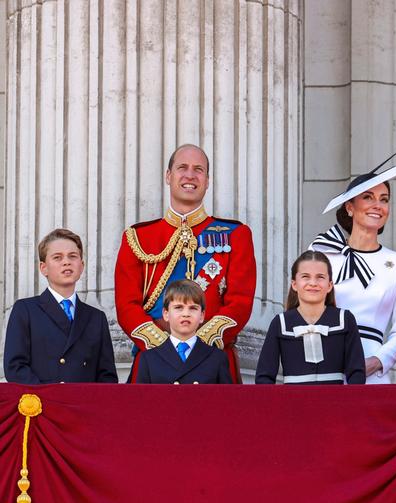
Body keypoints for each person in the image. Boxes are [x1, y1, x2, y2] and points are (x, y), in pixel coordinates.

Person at [115, 144, 257, 383]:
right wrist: (165, 346)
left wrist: (197, 345)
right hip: (153, 360)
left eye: (198, 169)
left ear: (207, 180)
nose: (190, 175)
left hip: (213, 363)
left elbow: (240, 301)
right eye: (182, 168)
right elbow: (126, 305)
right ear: (168, 176)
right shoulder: (138, 237)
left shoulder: (236, 235)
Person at [310, 151, 396, 384]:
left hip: (371, 371)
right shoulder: (322, 253)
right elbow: (302, 310)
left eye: (384, 199)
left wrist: (378, 360)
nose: (378, 205)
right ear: (350, 206)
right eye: (368, 197)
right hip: (322, 362)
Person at [4, 229, 118, 384]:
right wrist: (51, 397)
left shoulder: (96, 318)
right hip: (42, 404)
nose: (66, 262)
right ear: (43, 268)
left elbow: (107, 376)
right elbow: (15, 367)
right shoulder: (26, 310)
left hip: (83, 406)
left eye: (73, 256)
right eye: (57, 257)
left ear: (81, 265)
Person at [255, 251, 365, 385]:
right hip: (293, 402)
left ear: (329, 285)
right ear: (294, 284)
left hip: (336, 402)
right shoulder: (280, 323)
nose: (313, 283)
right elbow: (264, 377)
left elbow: (357, 373)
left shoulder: (345, 319)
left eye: (320, 277)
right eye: (305, 276)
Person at [136, 280, 231, 384]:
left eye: (193, 308)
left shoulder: (217, 358)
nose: (186, 314)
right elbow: (142, 399)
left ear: (202, 316)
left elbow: (225, 399)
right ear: (166, 314)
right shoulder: (149, 359)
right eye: (178, 308)